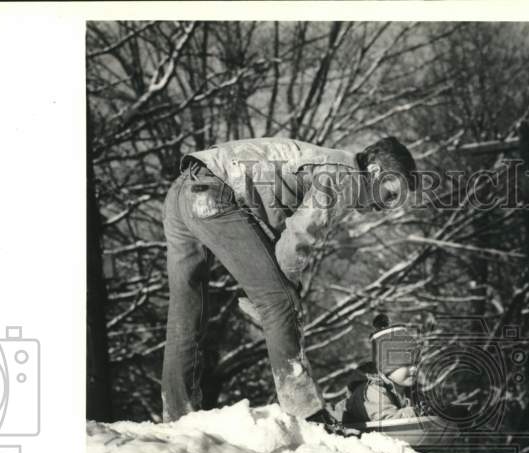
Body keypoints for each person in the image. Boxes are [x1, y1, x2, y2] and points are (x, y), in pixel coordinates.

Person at [161, 136, 417, 424]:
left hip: (183, 190)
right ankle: (307, 413)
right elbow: (298, 237)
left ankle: (177, 415)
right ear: (374, 171)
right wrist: (280, 293)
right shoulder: (346, 176)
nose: (387, 207)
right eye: (390, 194)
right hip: (212, 194)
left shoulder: (328, 163)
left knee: (187, 311)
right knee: (280, 302)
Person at [338, 313, 420, 425]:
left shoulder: (408, 388)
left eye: (416, 363)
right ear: (386, 366)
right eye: (406, 364)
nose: (414, 369)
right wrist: (417, 413)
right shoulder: (373, 390)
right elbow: (388, 422)